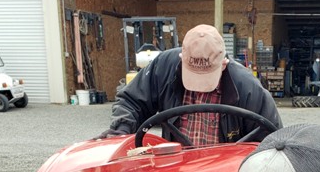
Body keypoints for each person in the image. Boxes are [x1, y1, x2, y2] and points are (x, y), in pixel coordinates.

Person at [100, 24, 282, 145]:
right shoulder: (164, 67)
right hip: (176, 170)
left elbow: (271, 140)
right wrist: (121, 131)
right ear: (182, 60)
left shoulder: (248, 88)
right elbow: (132, 101)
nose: (199, 86)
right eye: (194, 76)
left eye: (206, 77)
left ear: (224, 63)